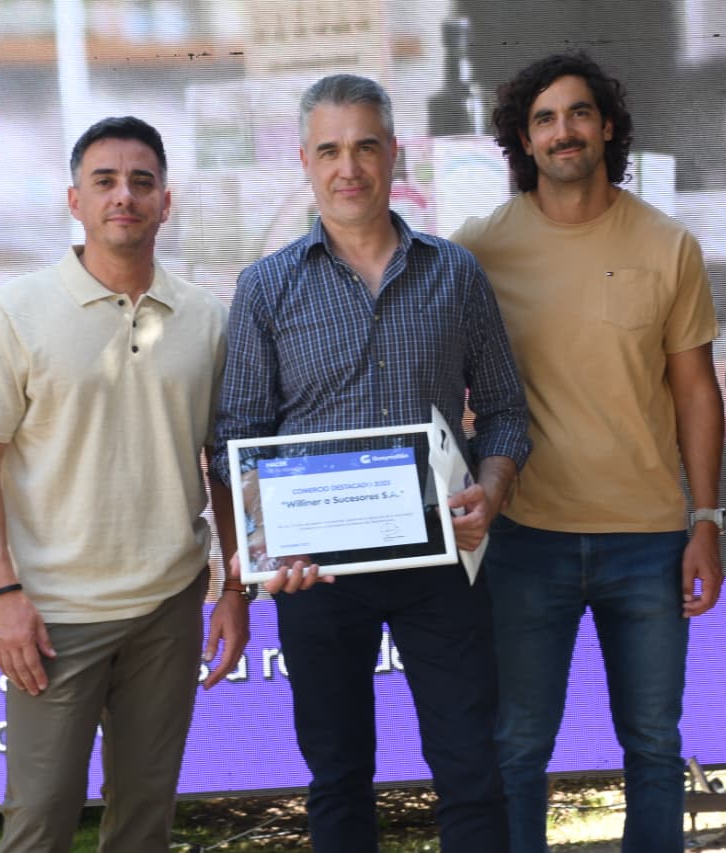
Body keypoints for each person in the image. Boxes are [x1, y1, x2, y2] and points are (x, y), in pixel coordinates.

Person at [210, 74, 529, 853]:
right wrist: (263, 549)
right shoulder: (265, 288)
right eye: (329, 150)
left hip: (441, 559)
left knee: (471, 769)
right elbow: (235, 437)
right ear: (305, 161)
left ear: (393, 154)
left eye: (364, 147)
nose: (347, 167)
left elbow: (506, 410)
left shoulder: (454, 273)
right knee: (338, 776)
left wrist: (491, 489)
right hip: (316, 574)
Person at [0, 116, 249, 852]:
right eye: (104, 181)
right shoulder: (15, 313)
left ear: (166, 203)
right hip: (53, 614)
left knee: (145, 819)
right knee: (40, 821)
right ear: (74, 200)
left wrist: (237, 586)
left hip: (168, 606)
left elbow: (224, 461)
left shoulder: (206, 318)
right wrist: (1, 592)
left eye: (142, 182)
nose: (124, 196)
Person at [452, 52, 725, 853]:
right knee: (518, 746)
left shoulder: (667, 244)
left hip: (647, 540)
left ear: (607, 127)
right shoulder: (478, 249)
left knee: (654, 746)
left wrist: (706, 519)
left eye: (578, 113)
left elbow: (696, 393)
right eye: (543, 118)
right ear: (523, 140)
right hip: (523, 538)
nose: (562, 130)